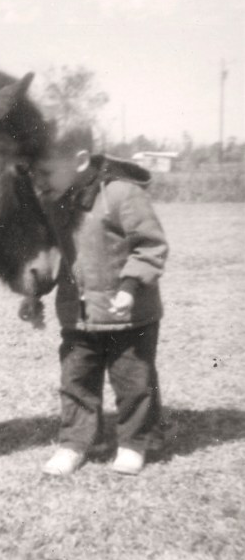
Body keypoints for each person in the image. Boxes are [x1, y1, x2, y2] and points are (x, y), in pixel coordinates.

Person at [22, 132, 169, 476]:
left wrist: (130, 287)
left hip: (128, 316)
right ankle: (75, 443)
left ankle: (134, 443)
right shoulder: (54, 203)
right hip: (78, 316)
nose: (38, 182)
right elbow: (53, 256)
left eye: (45, 173)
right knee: (76, 382)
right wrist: (33, 293)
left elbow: (150, 246)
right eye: (34, 175)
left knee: (134, 382)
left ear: (80, 160)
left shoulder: (123, 193)